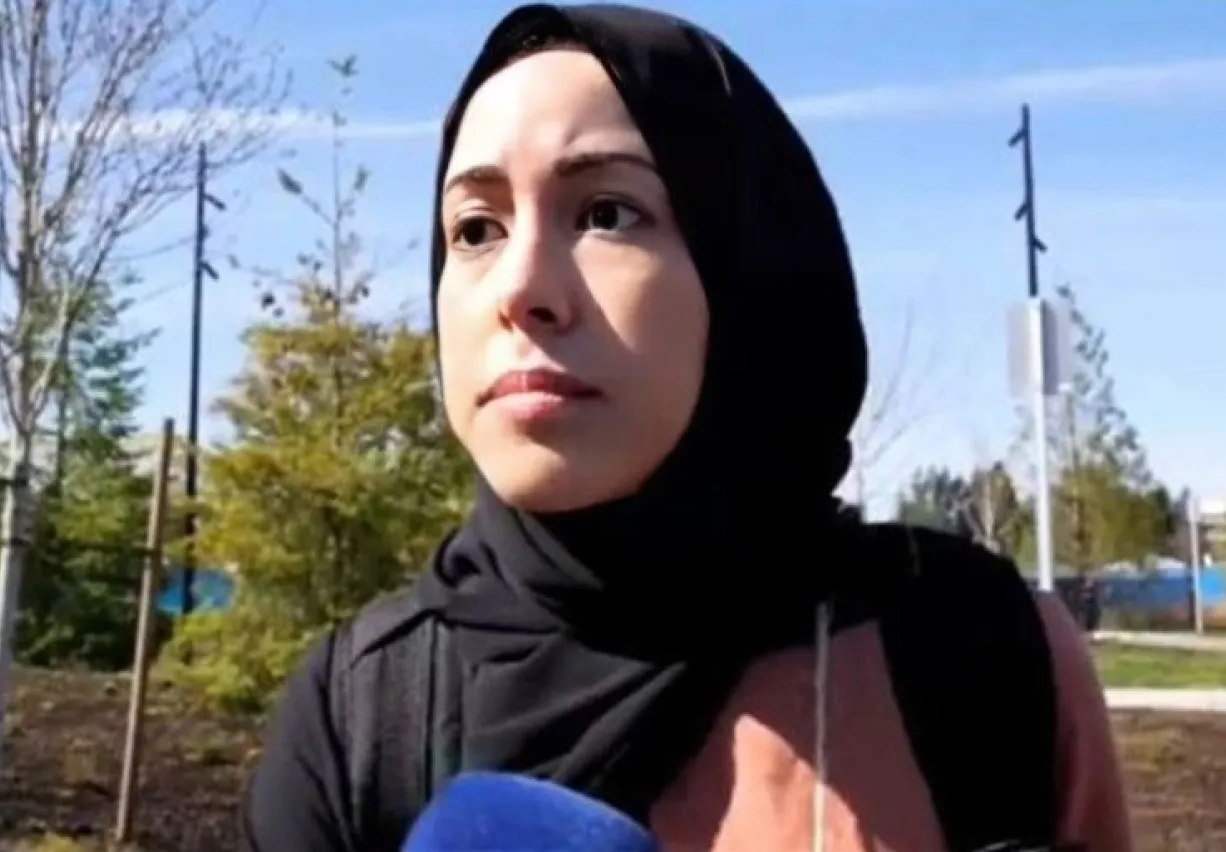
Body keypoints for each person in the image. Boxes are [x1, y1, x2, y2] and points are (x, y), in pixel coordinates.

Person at [240, 4, 1133, 851]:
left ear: (750, 267)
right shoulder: (360, 716)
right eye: (476, 229)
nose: (520, 288)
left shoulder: (977, 654)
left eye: (606, 214)